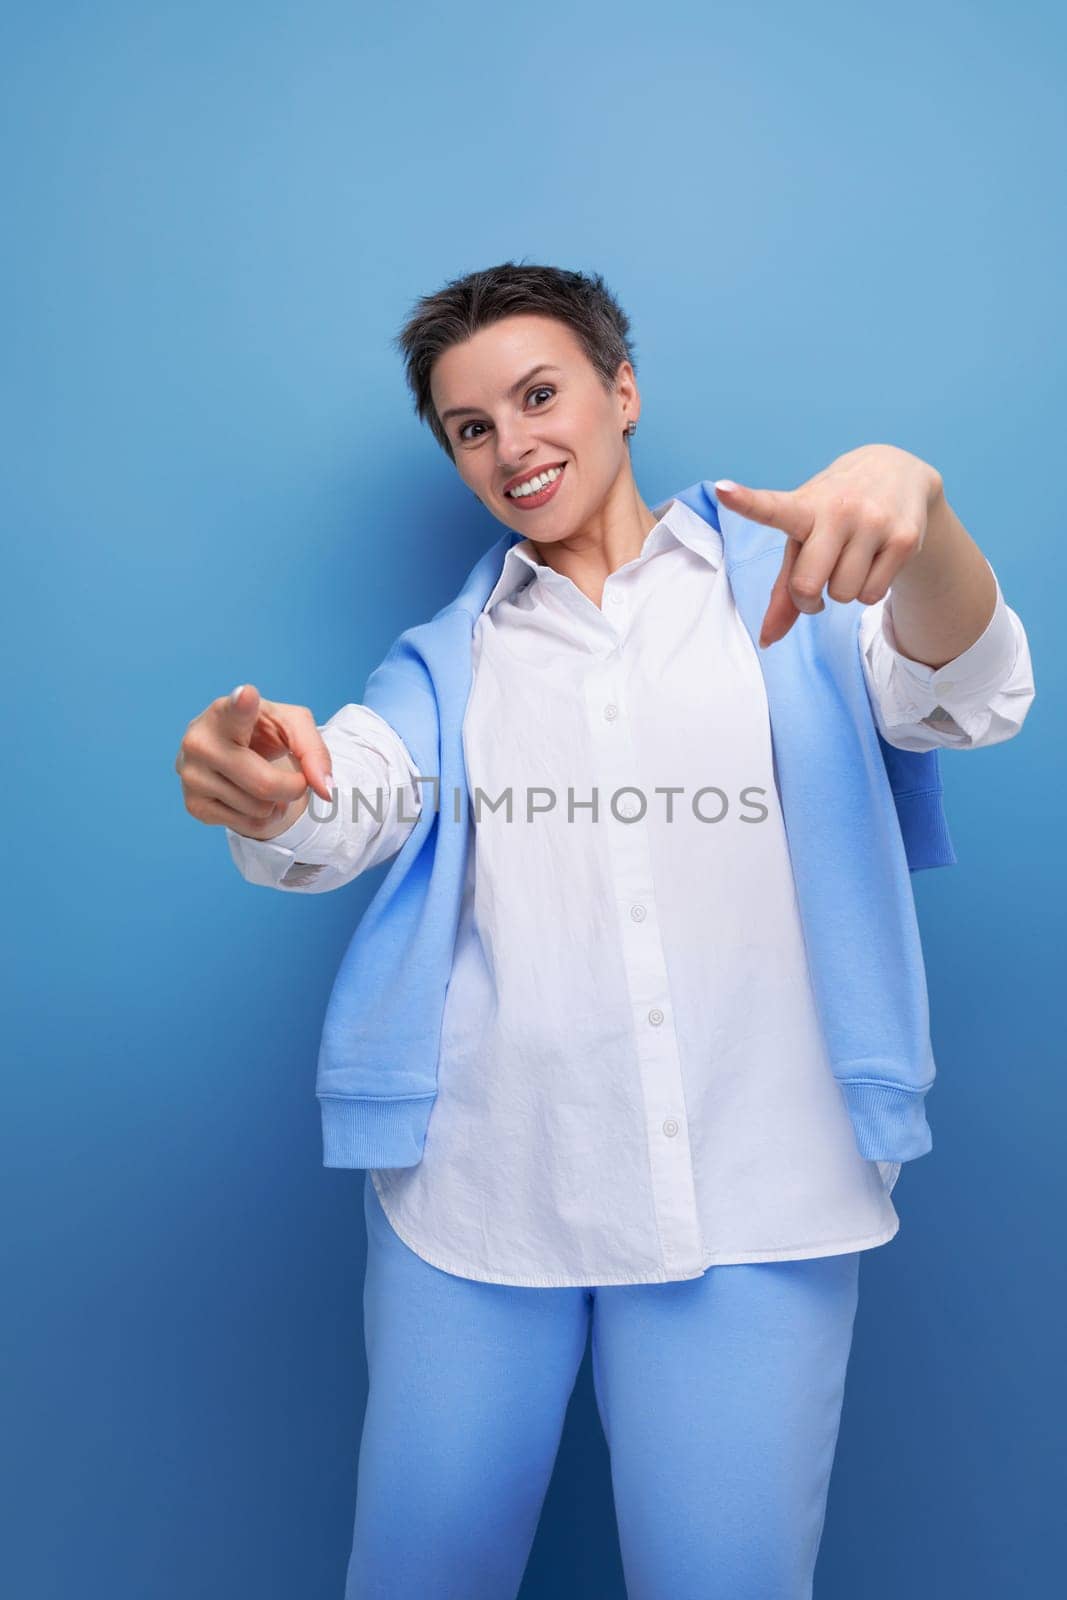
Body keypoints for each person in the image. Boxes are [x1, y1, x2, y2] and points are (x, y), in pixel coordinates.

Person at [175, 263, 1035, 1598]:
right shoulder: (443, 661)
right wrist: (275, 785)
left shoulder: (802, 593)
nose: (513, 444)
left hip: (762, 1188)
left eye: (538, 394)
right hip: (480, 1192)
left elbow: (965, 694)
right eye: (471, 426)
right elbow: (352, 797)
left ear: (620, 391)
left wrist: (923, 518)